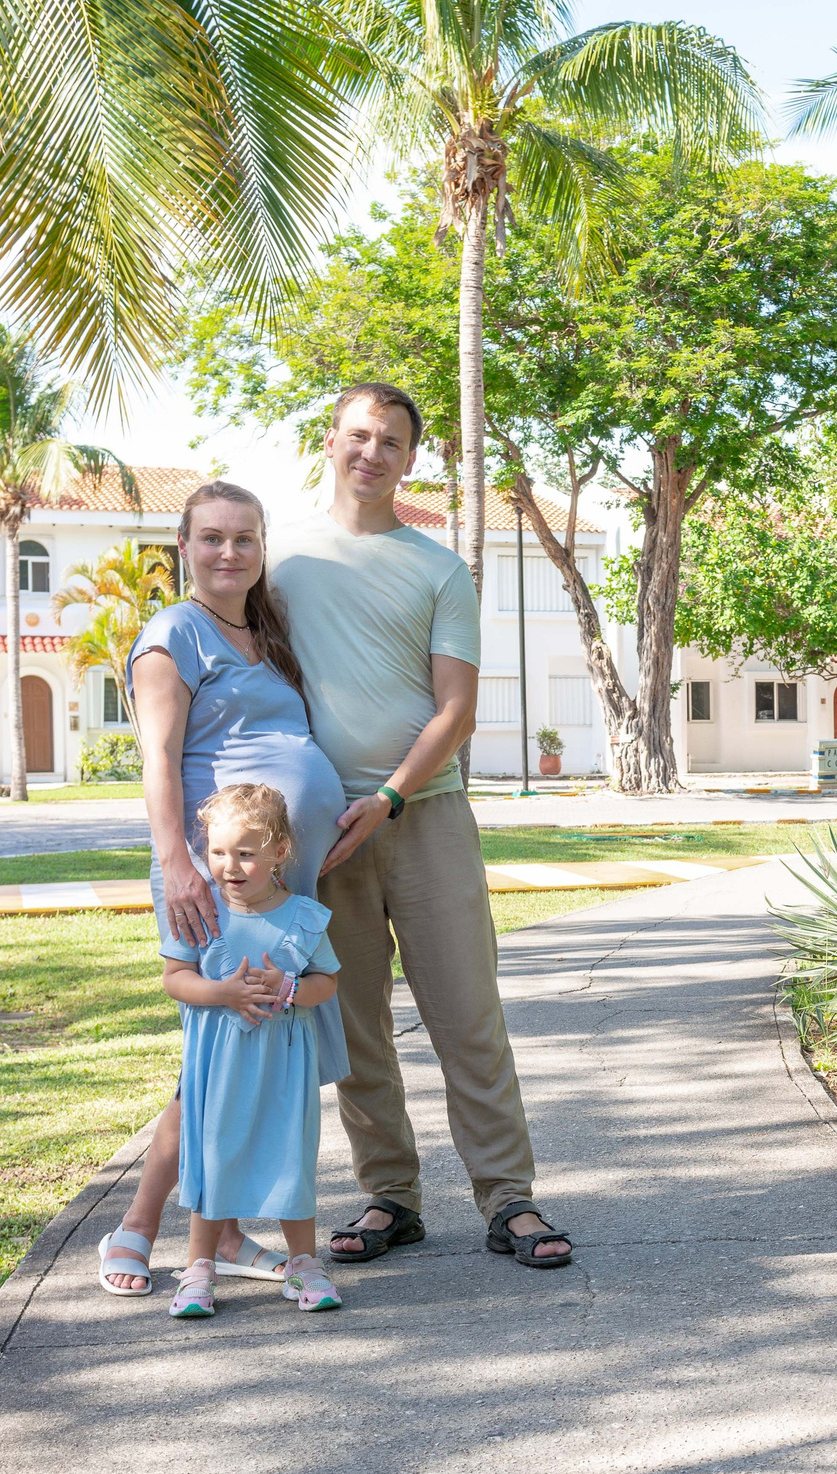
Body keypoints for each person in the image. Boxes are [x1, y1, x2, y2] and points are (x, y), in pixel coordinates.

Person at [272, 381, 574, 1269]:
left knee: (467, 1015)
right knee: (354, 1025)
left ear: (411, 460)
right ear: (329, 442)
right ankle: (388, 1199)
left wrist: (392, 797)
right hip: (320, 830)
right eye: (358, 435)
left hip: (423, 814)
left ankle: (509, 1198)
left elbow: (457, 710)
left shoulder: (438, 567)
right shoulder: (278, 559)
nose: (372, 452)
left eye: (392, 442)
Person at [95, 483, 349, 1297]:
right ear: (183, 546)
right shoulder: (173, 635)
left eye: (244, 538)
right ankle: (136, 1227)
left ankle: (231, 1235)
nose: (228, 553)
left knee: (250, 1058)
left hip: (275, 874)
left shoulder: (263, 633)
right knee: (208, 1068)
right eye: (211, 538)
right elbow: (159, 758)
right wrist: (176, 860)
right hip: (215, 877)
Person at [159, 784, 343, 1318]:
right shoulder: (199, 912)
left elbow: (326, 982)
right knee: (214, 1154)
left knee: (290, 1153)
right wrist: (222, 993)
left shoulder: (304, 917)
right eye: (218, 852)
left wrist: (290, 990)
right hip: (218, 1066)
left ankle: (304, 1264)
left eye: (246, 853)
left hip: (284, 1064)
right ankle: (198, 1269)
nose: (230, 866)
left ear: (279, 852)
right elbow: (175, 979)